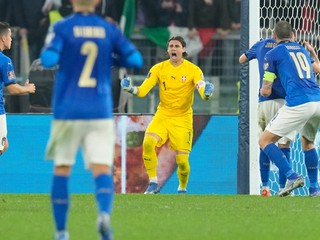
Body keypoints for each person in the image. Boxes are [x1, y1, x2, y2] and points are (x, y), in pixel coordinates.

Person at [40, 0, 143, 239]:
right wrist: (111, 57)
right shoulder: (108, 28)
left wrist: (62, 49)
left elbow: (47, 60)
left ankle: (62, 232)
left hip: (68, 110)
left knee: (62, 169)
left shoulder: (62, 27)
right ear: (97, 2)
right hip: (99, 110)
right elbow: (136, 60)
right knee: (101, 168)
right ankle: (104, 216)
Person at [120, 35, 214, 194]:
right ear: (168, 50)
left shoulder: (193, 70)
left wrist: (207, 93)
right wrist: (130, 89)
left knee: (182, 160)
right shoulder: (158, 69)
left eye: (177, 46)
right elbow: (143, 91)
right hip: (163, 114)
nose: (173, 49)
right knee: (148, 143)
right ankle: (153, 182)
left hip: (183, 118)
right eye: (171, 46)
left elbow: (202, 89)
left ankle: (182, 187)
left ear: (183, 50)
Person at [259, 20, 320, 197]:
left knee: (264, 141)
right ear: (293, 36)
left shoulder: (273, 54)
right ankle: (314, 188)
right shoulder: (301, 50)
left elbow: (266, 88)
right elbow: (318, 68)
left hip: (299, 102)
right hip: (317, 100)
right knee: (308, 142)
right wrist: (314, 54)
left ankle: (292, 176)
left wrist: (265, 90)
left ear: (274, 36)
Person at [0, 21, 36, 155]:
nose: (11, 39)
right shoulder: (5, 61)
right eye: (9, 36)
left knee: (4, 145)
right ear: (3, 38)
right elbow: (12, 89)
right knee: (2, 146)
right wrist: (27, 88)